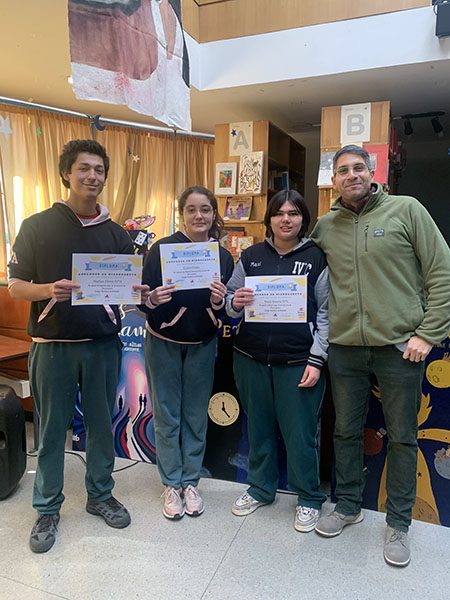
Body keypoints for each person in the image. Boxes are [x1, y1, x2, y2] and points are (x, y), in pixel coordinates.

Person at [311, 144, 450, 567]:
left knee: (403, 436)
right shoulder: (325, 227)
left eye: (359, 167)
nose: (351, 175)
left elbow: (442, 271)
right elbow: (305, 278)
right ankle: (348, 506)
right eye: (343, 170)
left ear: (373, 172)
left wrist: (428, 333)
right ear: (333, 180)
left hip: (399, 351)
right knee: (345, 432)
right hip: (345, 350)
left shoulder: (407, 210)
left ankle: (399, 523)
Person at [8, 139, 149, 553]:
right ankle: (47, 506)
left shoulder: (117, 234)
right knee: (52, 428)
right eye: (84, 168)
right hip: (52, 345)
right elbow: (15, 286)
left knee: (103, 424)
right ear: (66, 174)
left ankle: (100, 494)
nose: (92, 176)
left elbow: (125, 291)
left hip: (103, 345)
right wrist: (48, 289)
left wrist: (137, 292)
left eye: (99, 170)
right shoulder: (36, 226)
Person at [226, 189, 329, 532]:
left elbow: (327, 312)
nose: (286, 219)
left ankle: (309, 497)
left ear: (303, 219)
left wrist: (317, 359)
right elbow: (229, 301)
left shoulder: (316, 257)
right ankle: (260, 488)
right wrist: (235, 302)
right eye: (279, 213)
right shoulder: (252, 255)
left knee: (301, 434)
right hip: (250, 357)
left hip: (298, 361)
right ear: (269, 219)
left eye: (293, 213)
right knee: (258, 429)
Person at [141, 185, 234, 519]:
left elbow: (226, 309)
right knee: (167, 415)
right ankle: (171, 483)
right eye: (191, 209)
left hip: (202, 344)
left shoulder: (223, 256)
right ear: (181, 214)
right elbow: (142, 299)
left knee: (195, 416)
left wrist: (218, 302)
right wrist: (153, 299)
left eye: (205, 209)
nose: (198, 216)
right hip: (163, 342)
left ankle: (190, 482)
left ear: (213, 214)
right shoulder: (161, 250)